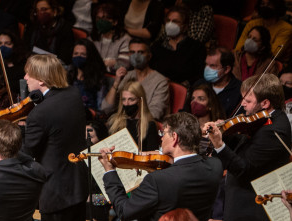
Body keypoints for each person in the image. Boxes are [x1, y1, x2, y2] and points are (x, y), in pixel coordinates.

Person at [99, 112, 222, 221]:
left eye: (163, 133)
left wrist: (109, 171)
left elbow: (124, 211)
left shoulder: (157, 180)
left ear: (174, 137)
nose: (161, 138)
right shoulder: (215, 166)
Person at [206, 74, 292, 221]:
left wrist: (220, 145)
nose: (243, 104)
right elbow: (247, 143)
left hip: (250, 210)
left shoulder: (273, 129)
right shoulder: (264, 121)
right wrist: (226, 134)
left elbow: (244, 169)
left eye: (248, 100)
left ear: (265, 103)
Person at [22, 54, 88, 221]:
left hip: (55, 193)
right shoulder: (73, 94)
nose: (25, 78)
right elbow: (55, 132)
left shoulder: (39, 113)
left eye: (29, 73)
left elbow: (27, 153)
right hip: (78, 187)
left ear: (42, 80)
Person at [107, 80, 160, 151]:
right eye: (124, 99)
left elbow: (153, 155)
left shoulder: (149, 125)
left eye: (131, 99)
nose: (126, 103)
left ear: (140, 101)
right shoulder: (115, 121)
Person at [205, 48, 242, 116]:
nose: (207, 69)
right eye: (206, 64)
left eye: (213, 66)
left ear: (226, 69)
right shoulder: (200, 84)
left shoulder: (240, 91)